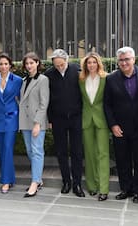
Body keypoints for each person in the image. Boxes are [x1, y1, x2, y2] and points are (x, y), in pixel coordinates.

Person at [103, 46, 138, 203]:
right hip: (119, 128)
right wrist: (112, 125)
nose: (124, 62)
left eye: (127, 59)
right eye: (121, 60)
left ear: (134, 59)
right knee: (122, 160)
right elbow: (107, 104)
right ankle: (126, 189)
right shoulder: (111, 78)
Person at [45, 49, 85, 197]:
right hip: (58, 119)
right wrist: (49, 119)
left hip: (76, 117)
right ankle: (66, 182)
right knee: (61, 152)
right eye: (57, 65)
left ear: (67, 61)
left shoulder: (77, 71)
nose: (59, 67)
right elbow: (47, 99)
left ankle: (77, 184)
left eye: (62, 64)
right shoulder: (48, 75)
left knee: (77, 152)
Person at [79, 52, 110, 201]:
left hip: (102, 119)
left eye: (94, 62)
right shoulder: (81, 79)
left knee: (103, 154)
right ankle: (92, 186)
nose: (91, 65)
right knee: (89, 154)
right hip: (86, 120)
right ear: (85, 65)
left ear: (98, 63)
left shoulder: (106, 78)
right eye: (88, 63)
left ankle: (103, 188)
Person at [0, 53, 22, 194]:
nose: (3, 66)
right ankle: (10, 178)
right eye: (1, 64)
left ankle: (6, 181)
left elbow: (22, 99)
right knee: (2, 149)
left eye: (6, 64)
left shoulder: (18, 80)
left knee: (8, 149)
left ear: (10, 65)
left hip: (11, 119)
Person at [19, 52, 49, 197]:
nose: (29, 66)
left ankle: (35, 182)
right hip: (25, 121)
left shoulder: (43, 80)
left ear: (37, 63)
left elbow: (44, 103)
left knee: (37, 151)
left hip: (37, 121)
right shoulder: (24, 80)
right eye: (27, 63)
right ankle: (39, 179)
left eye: (32, 62)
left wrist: (38, 123)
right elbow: (24, 101)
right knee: (30, 151)